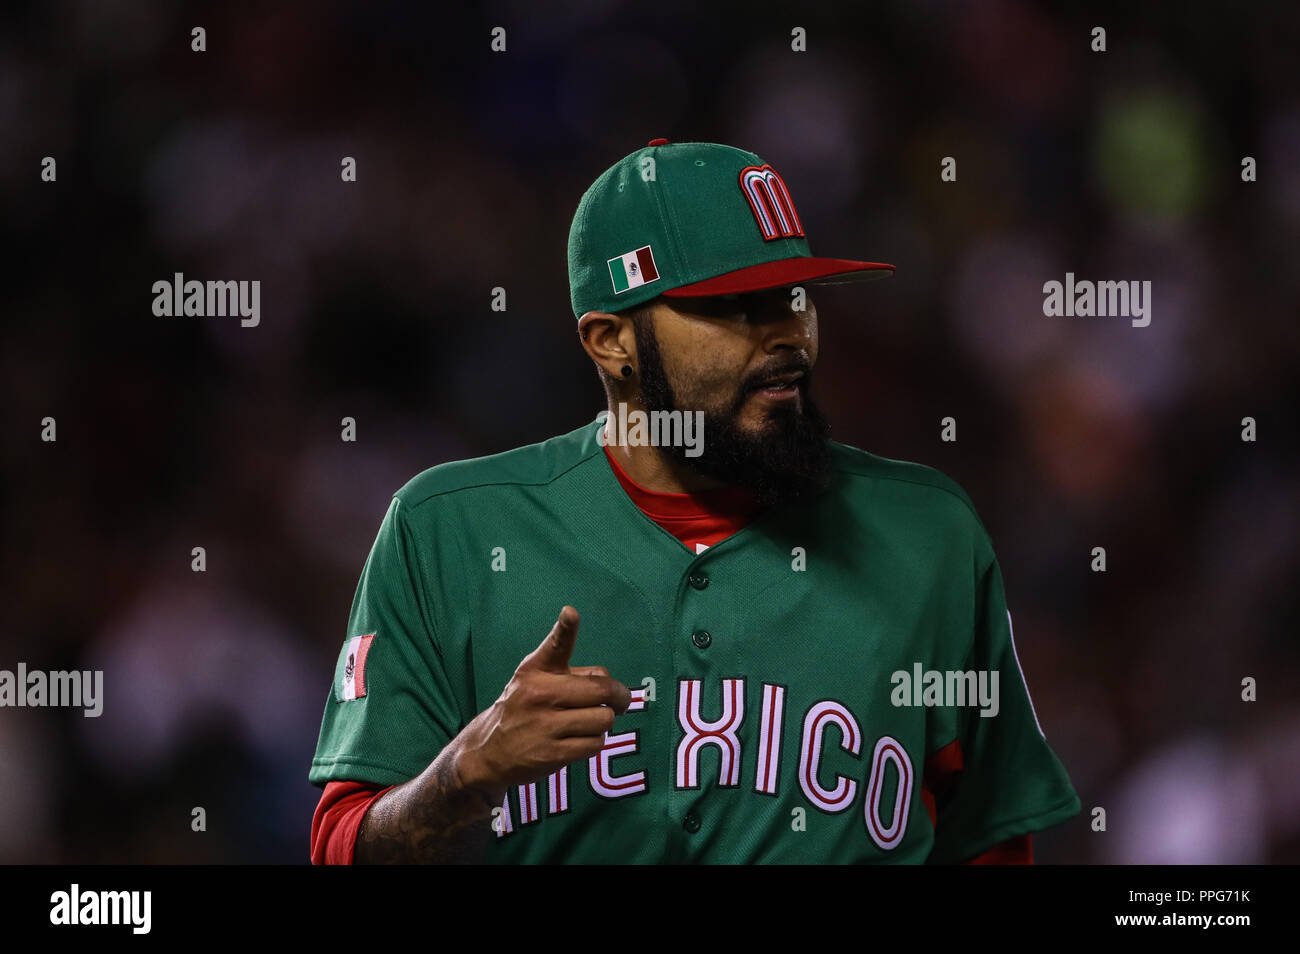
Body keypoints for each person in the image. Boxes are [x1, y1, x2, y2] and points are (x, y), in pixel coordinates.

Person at [308, 139, 1080, 864]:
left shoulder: (928, 535)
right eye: (737, 307)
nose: (788, 336)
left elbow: (989, 844)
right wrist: (461, 778)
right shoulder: (448, 534)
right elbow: (342, 843)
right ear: (611, 340)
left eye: (795, 297)